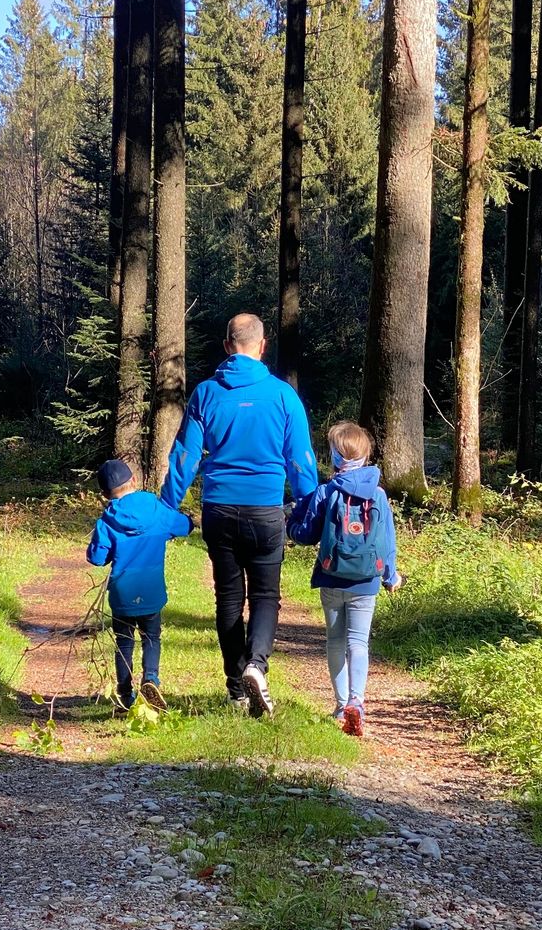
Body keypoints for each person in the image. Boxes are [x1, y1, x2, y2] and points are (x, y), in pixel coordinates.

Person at [161, 313, 318, 717]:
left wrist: (166, 508)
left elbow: (185, 457)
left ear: (227, 345)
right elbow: (300, 460)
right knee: (265, 595)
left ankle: (236, 689)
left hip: (220, 510)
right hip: (265, 511)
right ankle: (256, 666)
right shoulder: (283, 396)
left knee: (228, 597)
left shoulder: (206, 394)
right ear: (261, 346)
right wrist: (308, 508)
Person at [287, 421, 402, 737]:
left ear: (337, 458)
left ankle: (340, 706)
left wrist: (291, 525)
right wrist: (391, 576)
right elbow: (387, 542)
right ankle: (357, 701)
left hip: (331, 575)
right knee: (358, 642)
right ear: (365, 458)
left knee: (335, 641)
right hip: (367, 581)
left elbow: (307, 534)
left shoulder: (326, 491)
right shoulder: (378, 495)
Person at [86, 458, 194, 713]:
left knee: (124, 642)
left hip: (123, 592)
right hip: (151, 590)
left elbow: (97, 558)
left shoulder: (106, 521)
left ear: (104, 494)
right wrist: (191, 521)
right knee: (151, 636)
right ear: (134, 480)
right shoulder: (155, 510)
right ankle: (151, 679)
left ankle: (125, 693)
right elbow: (183, 526)